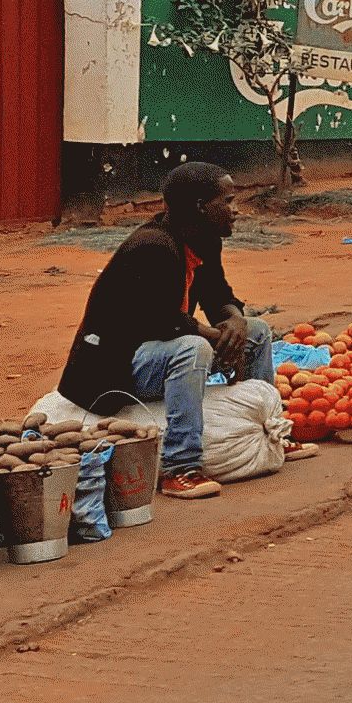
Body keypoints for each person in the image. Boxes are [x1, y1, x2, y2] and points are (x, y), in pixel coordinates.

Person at [57, 162, 294, 501]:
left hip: (156, 353)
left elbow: (218, 296)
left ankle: (274, 430)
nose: (235, 211)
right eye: (227, 202)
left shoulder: (204, 241)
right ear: (200, 207)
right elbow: (159, 320)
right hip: (114, 368)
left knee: (257, 332)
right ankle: (180, 466)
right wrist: (214, 336)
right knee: (193, 348)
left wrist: (235, 321)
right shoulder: (153, 246)